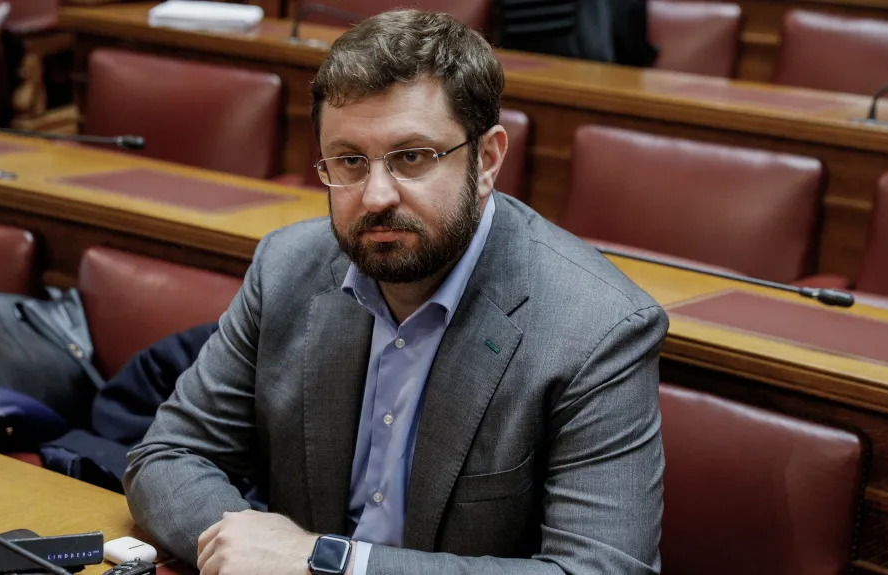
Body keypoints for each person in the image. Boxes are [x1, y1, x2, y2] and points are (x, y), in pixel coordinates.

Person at [124, 9, 669, 575]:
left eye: (412, 157)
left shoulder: (596, 328)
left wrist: (324, 563)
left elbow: (605, 570)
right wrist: (245, 551)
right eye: (349, 161)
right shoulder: (287, 266)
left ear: (486, 160)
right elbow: (168, 455)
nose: (376, 196)